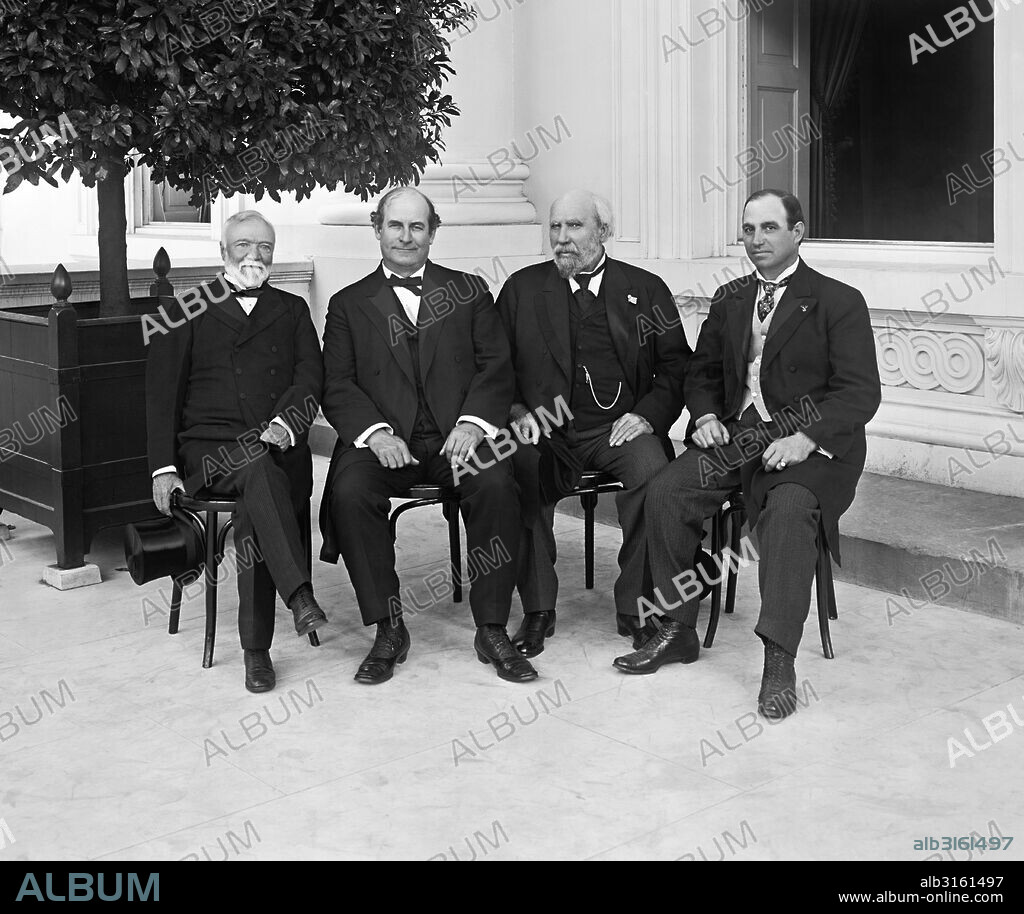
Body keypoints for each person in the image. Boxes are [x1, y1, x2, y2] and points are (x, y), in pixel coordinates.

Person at [614, 189, 882, 719]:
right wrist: (708, 415)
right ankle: (676, 628)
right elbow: (703, 371)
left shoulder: (838, 300)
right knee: (668, 489)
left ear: (797, 232)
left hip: (815, 447)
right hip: (743, 435)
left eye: (769, 228)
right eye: (749, 230)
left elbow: (859, 391)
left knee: (786, 511)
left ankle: (779, 658)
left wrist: (806, 437)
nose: (756, 240)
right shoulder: (731, 297)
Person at [319, 187, 535, 685]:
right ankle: (388, 627)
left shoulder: (469, 290)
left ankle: (492, 627)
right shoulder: (348, 304)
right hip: (384, 444)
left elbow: (495, 366)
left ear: (433, 233)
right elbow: (338, 382)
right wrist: (374, 434)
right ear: (378, 230)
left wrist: (472, 424)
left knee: (497, 484)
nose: (406, 237)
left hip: (453, 440)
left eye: (417, 227)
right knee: (350, 492)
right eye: (395, 226)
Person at [496, 190, 691, 658]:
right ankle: (539, 608)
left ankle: (636, 607)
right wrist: (518, 412)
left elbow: (677, 368)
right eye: (555, 228)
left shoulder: (645, 289)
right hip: (544, 429)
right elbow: (494, 366)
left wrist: (646, 416)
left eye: (574, 227)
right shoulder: (522, 290)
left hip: (617, 429)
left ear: (603, 232)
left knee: (653, 472)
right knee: (519, 471)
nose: (562, 239)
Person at [147, 211, 327, 694]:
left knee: (259, 488)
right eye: (244, 244)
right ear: (223, 251)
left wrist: (289, 422)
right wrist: (163, 468)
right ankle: (299, 595)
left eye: (264, 246)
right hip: (210, 452)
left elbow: (311, 379)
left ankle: (256, 650)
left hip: (275, 446)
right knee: (255, 472)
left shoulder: (291, 310)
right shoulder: (186, 307)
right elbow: (162, 393)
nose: (254, 255)